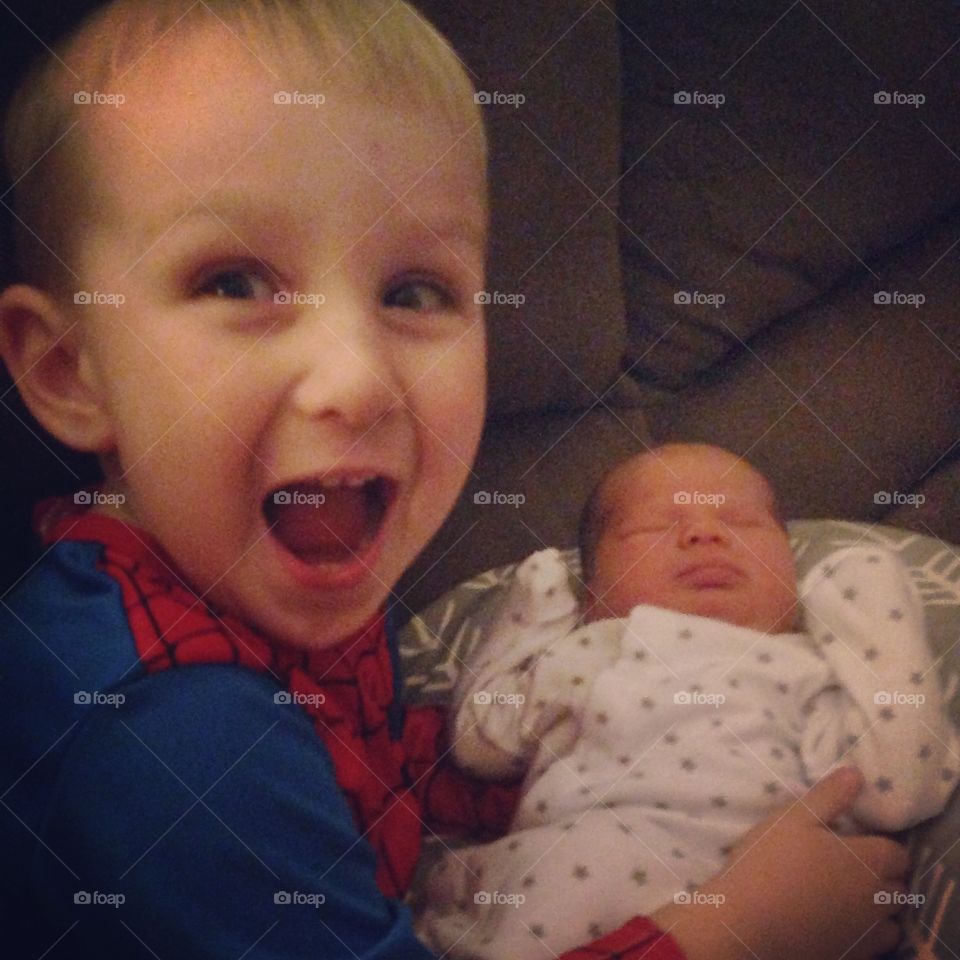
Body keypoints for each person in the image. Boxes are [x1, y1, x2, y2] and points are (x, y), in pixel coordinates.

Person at [0, 0, 910, 954]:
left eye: (412, 293)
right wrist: (738, 933)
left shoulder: (274, 564)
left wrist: (602, 748)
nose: (357, 380)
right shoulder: (172, 729)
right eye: (235, 283)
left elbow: (369, 758)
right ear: (71, 370)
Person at [416, 443, 956, 958]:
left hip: (792, 907)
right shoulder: (591, 648)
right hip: (561, 902)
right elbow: (480, 741)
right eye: (654, 526)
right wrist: (534, 615)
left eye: (743, 523)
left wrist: (871, 609)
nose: (704, 533)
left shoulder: (813, 668)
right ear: (593, 597)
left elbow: (897, 788)